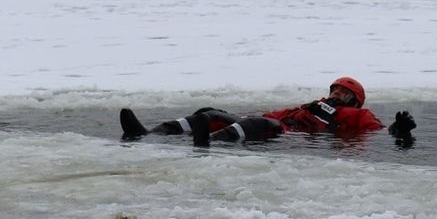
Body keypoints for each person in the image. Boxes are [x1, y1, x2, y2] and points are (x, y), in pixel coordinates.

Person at [120, 76, 416, 147]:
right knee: (209, 113)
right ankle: (147, 133)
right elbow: (274, 112)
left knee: (260, 125)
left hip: (285, 136)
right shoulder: (309, 106)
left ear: (354, 101)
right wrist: (235, 114)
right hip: (273, 123)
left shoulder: (352, 115)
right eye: (335, 90)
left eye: (344, 93)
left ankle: (204, 145)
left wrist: (398, 130)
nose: (336, 94)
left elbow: (375, 130)